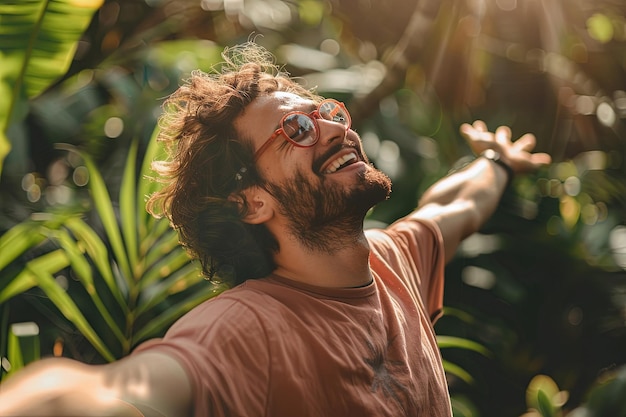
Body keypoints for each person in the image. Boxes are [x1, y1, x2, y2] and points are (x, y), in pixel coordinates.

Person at [0, 43, 551, 417]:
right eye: (298, 128)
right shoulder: (246, 329)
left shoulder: (392, 260)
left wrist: (496, 163)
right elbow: (122, 390)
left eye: (327, 111)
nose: (335, 128)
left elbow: (454, 206)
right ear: (251, 202)